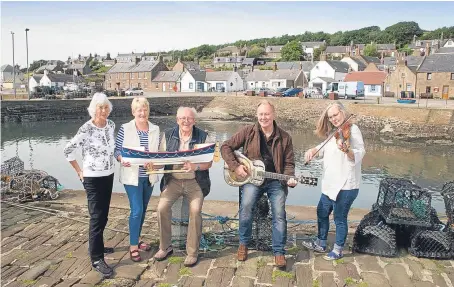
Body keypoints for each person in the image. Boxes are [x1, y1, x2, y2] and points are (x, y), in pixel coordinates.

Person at [221, 99, 297, 268]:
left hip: (275, 181)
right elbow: (225, 147)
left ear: (273, 115)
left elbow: (289, 163)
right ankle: (243, 244)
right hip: (251, 180)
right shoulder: (248, 132)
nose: (264, 117)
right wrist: (236, 166)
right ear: (257, 115)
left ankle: (279, 252)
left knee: (279, 213)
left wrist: (289, 177)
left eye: (267, 114)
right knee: (246, 207)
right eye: (261, 114)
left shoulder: (285, 137)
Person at [302, 101, 365, 260]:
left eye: (336, 115)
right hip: (330, 184)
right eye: (330, 117)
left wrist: (347, 150)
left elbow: (360, 152)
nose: (334, 119)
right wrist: (313, 150)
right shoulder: (335, 133)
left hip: (345, 185)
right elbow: (323, 146)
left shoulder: (352, 130)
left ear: (343, 112)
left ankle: (337, 250)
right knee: (321, 212)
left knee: (339, 218)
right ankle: (321, 243)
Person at [63, 93, 116, 278]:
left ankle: (97, 245)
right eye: (100, 108)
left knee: (104, 216)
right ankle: (96, 258)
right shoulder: (86, 129)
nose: (103, 111)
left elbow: (112, 148)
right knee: (96, 217)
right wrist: (79, 171)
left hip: (108, 175)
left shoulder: (111, 125)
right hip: (92, 178)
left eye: (106, 107)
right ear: (94, 109)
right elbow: (68, 150)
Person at [153, 107, 212, 267]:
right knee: (161, 208)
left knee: (195, 210)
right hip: (173, 181)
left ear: (194, 120)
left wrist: (195, 166)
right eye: (182, 118)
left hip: (195, 182)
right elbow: (160, 160)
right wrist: (152, 165)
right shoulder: (168, 135)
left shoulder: (203, 136)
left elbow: (209, 163)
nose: (186, 121)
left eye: (189, 118)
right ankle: (165, 247)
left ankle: (192, 252)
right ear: (177, 120)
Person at [114, 97, 160, 262]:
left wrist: (155, 163)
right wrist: (121, 159)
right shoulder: (125, 128)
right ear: (133, 112)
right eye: (139, 110)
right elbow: (117, 150)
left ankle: (137, 239)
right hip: (131, 176)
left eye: (145, 109)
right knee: (137, 210)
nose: (142, 112)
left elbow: (158, 153)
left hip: (149, 176)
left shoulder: (155, 129)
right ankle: (133, 246)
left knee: (143, 209)